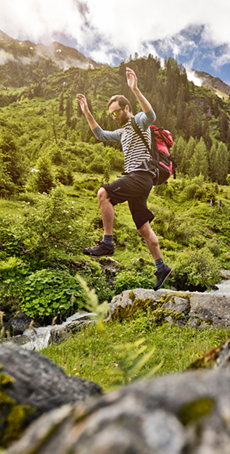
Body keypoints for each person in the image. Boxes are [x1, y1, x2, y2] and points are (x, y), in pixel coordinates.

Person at [76, 67, 172, 291]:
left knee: (103, 193)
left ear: (126, 108)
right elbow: (100, 134)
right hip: (138, 181)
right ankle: (161, 267)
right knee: (143, 227)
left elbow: (151, 115)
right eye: (111, 114)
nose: (114, 116)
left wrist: (135, 89)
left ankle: (107, 243)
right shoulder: (121, 133)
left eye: (116, 112)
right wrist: (87, 111)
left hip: (141, 176)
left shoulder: (138, 121)